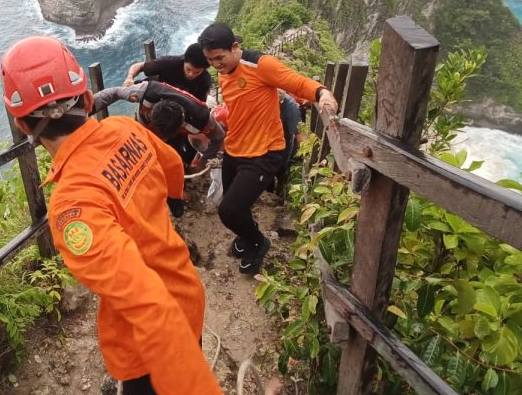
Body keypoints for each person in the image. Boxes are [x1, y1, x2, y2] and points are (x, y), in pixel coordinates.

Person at [0, 35, 294, 395]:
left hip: (147, 346)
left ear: (22, 124)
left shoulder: (73, 207)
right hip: (187, 293)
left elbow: (148, 303)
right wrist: (169, 203)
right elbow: (170, 162)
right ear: (86, 99)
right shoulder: (126, 130)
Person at [198, 23, 338, 275]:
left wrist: (322, 93)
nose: (216, 64)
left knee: (229, 211)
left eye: (219, 58)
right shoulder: (224, 70)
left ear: (235, 47)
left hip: (264, 153)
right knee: (233, 204)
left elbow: (295, 81)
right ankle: (246, 234)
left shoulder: (260, 65)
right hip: (236, 149)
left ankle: (258, 243)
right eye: (210, 60)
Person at [93, 80, 225, 170]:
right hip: (143, 127)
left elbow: (219, 137)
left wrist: (201, 166)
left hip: (175, 137)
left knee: (175, 158)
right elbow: (115, 92)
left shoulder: (201, 118)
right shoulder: (147, 91)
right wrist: (87, 108)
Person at [123, 42, 212, 101]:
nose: (191, 74)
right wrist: (129, 77)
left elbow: (199, 105)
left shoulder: (205, 80)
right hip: (156, 95)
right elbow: (139, 66)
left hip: (182, 107)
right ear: (184, 60)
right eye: (188, 69)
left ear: (204, 69)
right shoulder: (169, 62)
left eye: (197, 72)